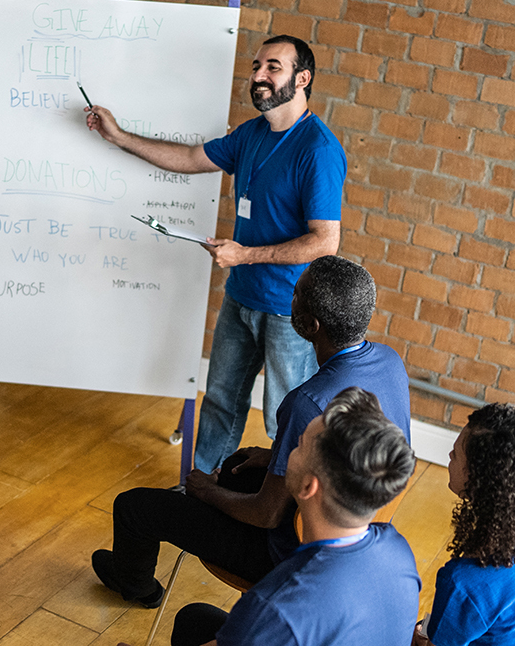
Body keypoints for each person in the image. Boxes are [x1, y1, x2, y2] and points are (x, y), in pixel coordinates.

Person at [46, 387, 419, 646]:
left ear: (308, 485)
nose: (286, 450)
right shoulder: (397, 551)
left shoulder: (272, 610)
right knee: (196, 620)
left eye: (299, 445)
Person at [85, 35, 346, 473]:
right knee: (222, 400)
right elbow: (189, 157)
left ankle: (279, 507)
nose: (259, 75)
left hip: (290, 310)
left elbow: (325, 241)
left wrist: (245, 256)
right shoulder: (252, 134)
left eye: (273, 67)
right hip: (241, 297)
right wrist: (119, 138)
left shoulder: (318, 150)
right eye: (257, 65)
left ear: (303, 78)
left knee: (286, 416)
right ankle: (203, 491)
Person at [93, 257, 410, 607]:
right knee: (235, 465)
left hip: (288, 558)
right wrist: (275, 456)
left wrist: (205, 491)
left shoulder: (308, 403)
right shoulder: (389, 361)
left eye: (296, 292)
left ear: (310, 324)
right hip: (351, 531)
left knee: (134, 506)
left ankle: (138, 588)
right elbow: (351, 450)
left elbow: (268, 514)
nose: (291, 294)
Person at [393, 404, 515, 646]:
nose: (449, 454)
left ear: (480, 480)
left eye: (456, 453)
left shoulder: (466, 580)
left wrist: (420, 645)